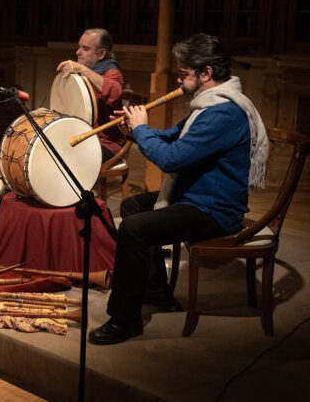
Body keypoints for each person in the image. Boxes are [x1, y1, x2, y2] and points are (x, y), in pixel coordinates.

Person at [88, 33, 268, 345]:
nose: (180, 82)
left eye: (184, 75)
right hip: (196, 196)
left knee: (132, 228)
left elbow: (171, 159)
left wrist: (143, 129)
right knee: (133, 207)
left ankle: (124, 320)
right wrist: (133, 130)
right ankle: (156, 290)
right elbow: (174, 136)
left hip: (215, 210)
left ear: (206, 73)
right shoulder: (208, 105)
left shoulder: (222, 111)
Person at [56, 28, 125, 160]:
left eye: (85, 49)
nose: (78, 52)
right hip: (79, 137)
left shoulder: (112, 72)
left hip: (104, 142)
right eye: (79, 47)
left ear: (101, 54)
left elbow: (115, 92)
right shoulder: (83, 72)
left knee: (65, 158)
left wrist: (82, 69)